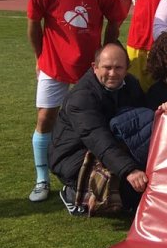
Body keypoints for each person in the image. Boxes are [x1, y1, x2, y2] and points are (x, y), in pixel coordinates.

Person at [26, 0, 125, 204]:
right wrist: (39, 57)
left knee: (95, 119)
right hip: (53, 63)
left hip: (89, 68)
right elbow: (34, 27)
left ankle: (96, 169)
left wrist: (104, 59)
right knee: (46, 118)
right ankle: (41, 178)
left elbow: (114, 26)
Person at [48, 43, 149, 217]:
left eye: (118, 68)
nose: (112, 73)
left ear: (127, 69)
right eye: (107, 68)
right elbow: (97, 138)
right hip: (74, 156)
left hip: (110, 144)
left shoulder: (131, 84)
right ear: (95, 67)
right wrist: (129, 170)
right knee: (128, 195)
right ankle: (74, 193)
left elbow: (144, 120)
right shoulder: (81, 97)